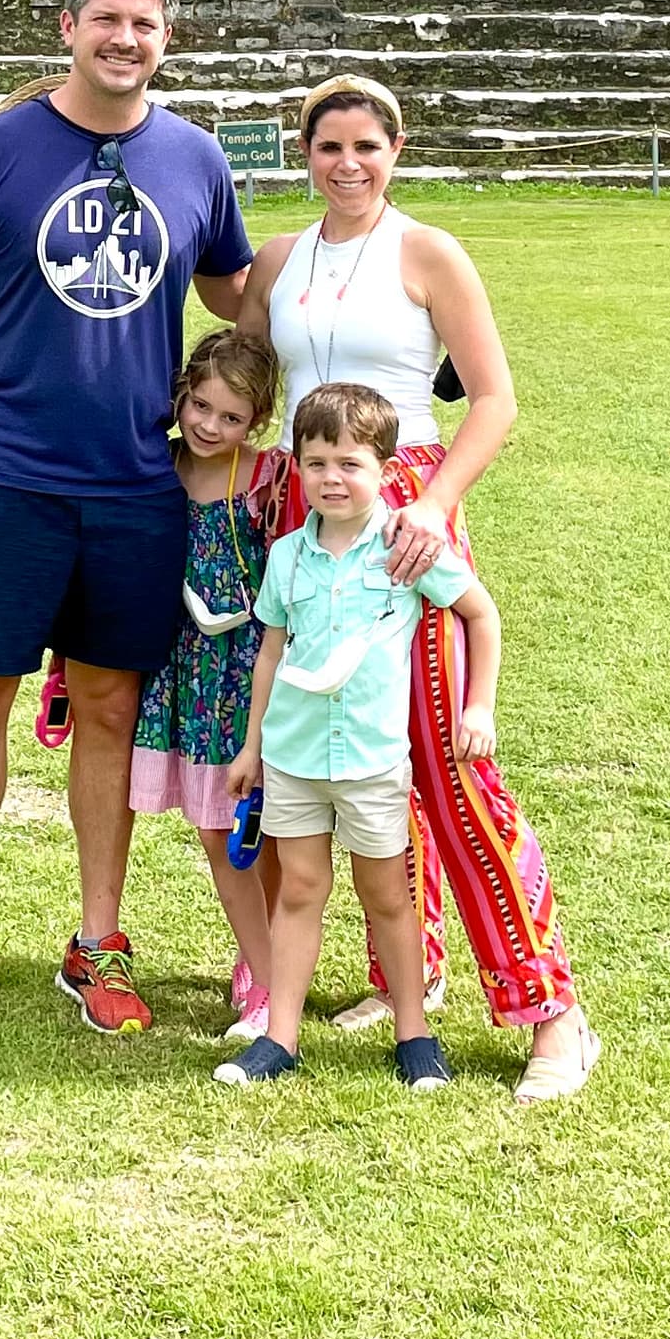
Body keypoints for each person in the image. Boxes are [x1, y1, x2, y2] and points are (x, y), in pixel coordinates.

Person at [0, 0, 254, 1033]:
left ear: (168, 38)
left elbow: (249, 296)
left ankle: (97, 939)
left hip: (139, 481)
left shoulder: (196, 159)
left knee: (109, 708)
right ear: (67, 26)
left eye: (145, 23)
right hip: (6, 469)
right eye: (107, 18)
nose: (126, 38)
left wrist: (387, 277)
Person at [238, 72, 599, 1102]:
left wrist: (434, 504)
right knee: (349, 744)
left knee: (444, 762)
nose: (348, 164)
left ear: (396, 151)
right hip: (309, 517)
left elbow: (493, 398)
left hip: (407, 514)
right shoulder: (281, 261)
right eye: (328, 147)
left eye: (368, 146)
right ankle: (413, 970)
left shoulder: (429, 252)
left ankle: (550, 1011)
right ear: (301, 153)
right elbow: (250, 373)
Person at [214, 383, 497, 1092]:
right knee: (300, 890)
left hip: (371, 760)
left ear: (385, 468)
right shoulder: (287, 558)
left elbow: (480, 615)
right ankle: (279, 1038)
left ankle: (414, 1034)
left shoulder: (405, 548)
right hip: (296, 756)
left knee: (389, 898)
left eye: (349, 463)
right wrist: (252, 748)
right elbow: (271, 654)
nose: (331, 479)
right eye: (315, 463)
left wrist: (479, 706)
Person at [127, 326, 291, 1045]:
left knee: (263, 833)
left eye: (231, 418)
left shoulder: (268, 478)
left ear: (255, 422)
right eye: (200, 406)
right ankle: (267, 976)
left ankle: (268, 979)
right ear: (180, 395)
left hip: (248, 676)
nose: (210, 426)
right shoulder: (156, 467)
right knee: (218, 831)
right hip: (182, 673)